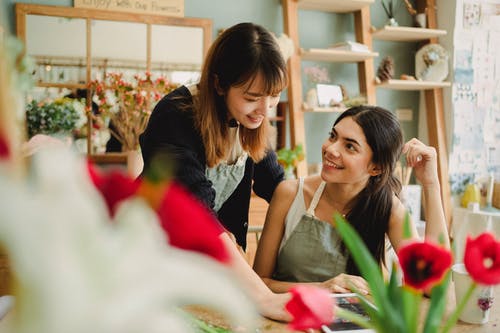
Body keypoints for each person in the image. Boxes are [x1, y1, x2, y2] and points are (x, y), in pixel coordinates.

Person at [139, 22, 291, 321]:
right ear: (219, 84)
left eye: (273, 96)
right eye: (251, 97)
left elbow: (277, 186)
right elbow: (197, 211)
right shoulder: (176, 115)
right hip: (151, 260)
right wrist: (263, 296)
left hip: (206, 270)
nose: (265, 110)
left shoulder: (250, 124)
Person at [253, 105, 450, 294]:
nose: (331, 149)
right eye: (332, 136)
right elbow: (258, 283)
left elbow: (433, 286)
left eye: (349, 146)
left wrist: (431, 185)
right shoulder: (289, 193)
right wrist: (321, 288)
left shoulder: (389, 209)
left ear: (376, 168)